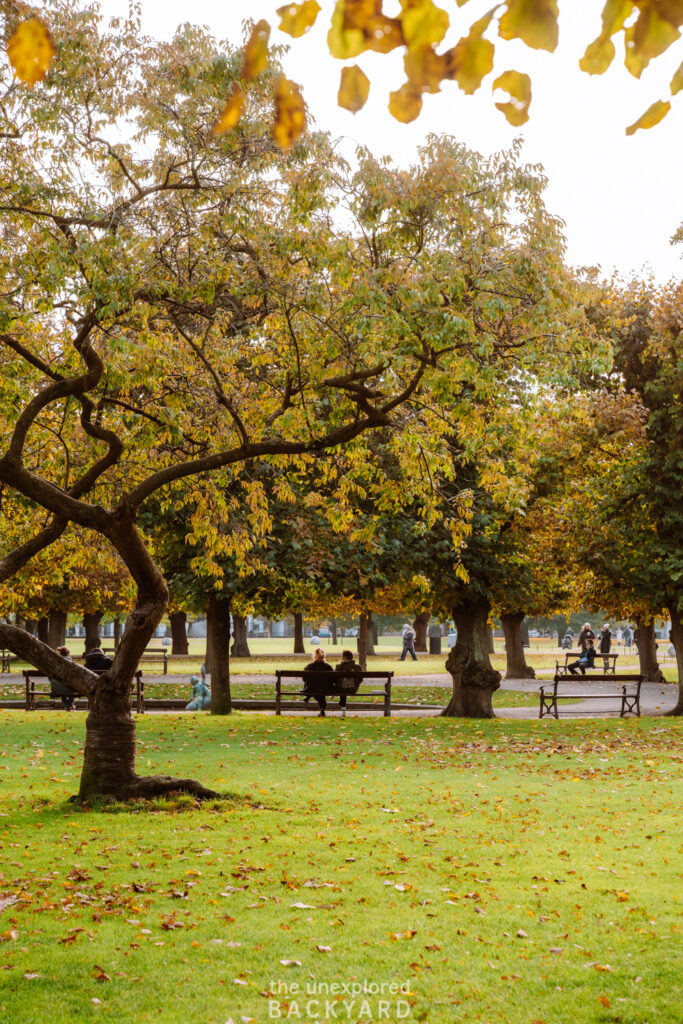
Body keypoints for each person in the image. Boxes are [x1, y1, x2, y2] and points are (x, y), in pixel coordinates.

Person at [302, 647, 334, 717]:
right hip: (326, 688)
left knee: (314, 686)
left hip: (311, 688)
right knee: (320, 690)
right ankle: (322, 710)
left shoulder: (310, 666)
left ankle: (308, 695)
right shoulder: (328, 667)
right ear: (324, 656)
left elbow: (304, 678)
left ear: (315, 656)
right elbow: (333, 678)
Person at [334, 649, 362, 719]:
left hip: (341, 689)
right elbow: (360, 680)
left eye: (342, 656)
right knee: (345, 689)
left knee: (342, 688)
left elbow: (334, 679)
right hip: (353, 689)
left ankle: (342, 707)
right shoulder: (358, 667)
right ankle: (342, 706)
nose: (341, 657)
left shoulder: (339, 667)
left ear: (345, 657)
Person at [49, 645, 78, 710]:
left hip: (55, 688)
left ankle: (68, 707)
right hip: (68, 688)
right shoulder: (72, 664)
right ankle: (69, 706)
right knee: (72, 689)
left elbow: (49, 677)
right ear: (68, 654)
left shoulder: (55, 663)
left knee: (61, 687)